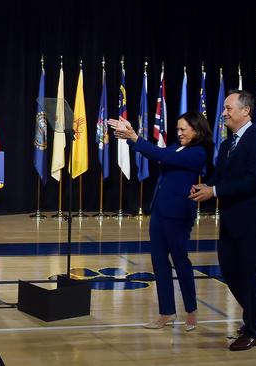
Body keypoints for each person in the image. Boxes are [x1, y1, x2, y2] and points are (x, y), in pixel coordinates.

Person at [109, 111, 213, 332]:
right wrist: (131, 138)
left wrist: (135, 137)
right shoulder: (177, 145)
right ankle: (167, 312)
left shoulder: (198, 152)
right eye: (178, 129)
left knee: (180, 261)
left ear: (196, 130)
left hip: (178, 214)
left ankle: (191, 310)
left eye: (183, 129)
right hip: (159, 211)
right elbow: (158, 154)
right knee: (158, 261)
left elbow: (165, 157)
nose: (179, 133)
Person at [190, 90, 256, 351]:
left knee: (249, 276)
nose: (223, 113)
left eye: (228, 108)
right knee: (229, 271)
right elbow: (221, 178)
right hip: (231, 222)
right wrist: (205, 187)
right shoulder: (228, 144)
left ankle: (251, 331)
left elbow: (253, 181)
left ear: (246, 111)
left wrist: (213, 192)